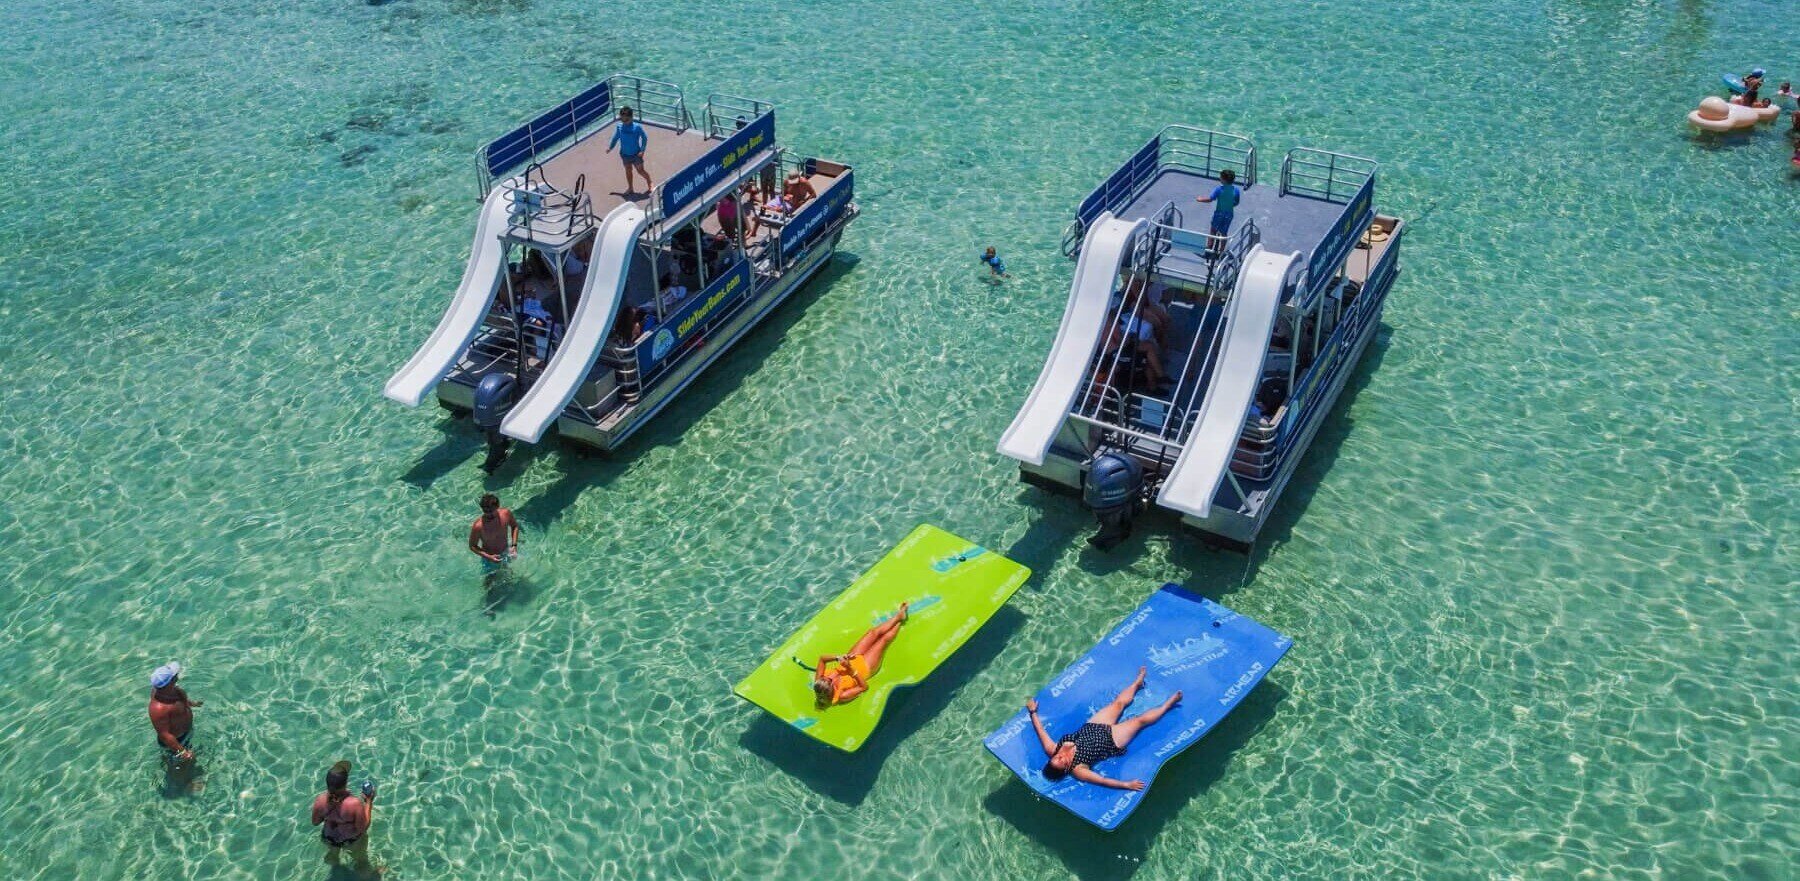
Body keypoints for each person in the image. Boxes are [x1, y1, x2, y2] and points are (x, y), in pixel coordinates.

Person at [1026, 667, 1181, 791]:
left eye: (1056, 758)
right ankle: (1168, 705)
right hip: (1111, 740)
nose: (1061, 757)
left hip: (1093, 726)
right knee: (1139, 721)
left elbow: (1040, 730)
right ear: (1066, 769)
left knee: (1118, 704)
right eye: (1063, 761)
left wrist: (1032, 711)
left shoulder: (1052, 749)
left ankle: (1137, 683)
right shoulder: (1079, 771)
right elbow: (1102, 780)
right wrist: (1126, 785)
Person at [811, 602, 908, 707]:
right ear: (830, 690)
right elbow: (864, 687)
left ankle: (898, 616)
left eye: (823, 678)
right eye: (829, 680)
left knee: (872, 633)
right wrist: (850, 669)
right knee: (883, 640)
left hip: (851, 658)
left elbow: (822, 659)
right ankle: (900, 621)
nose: (828, 677)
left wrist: (839, 658)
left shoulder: (819, 682)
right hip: (866, 667)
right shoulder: (842, 696)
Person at [311, 760, 379, 873]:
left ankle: (335, 864)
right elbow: (362, 828)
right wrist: (368, 801)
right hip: (351, 841)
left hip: (329, 839)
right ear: (346, 782)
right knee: (361, 861)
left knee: (333, 857)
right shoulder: (353, 803)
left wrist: (330, 815)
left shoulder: (320, 800)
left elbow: (315, 822)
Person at [148, 662, 201, 761]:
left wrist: (192, 704)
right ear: (170, 682)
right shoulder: (158, 709)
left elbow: (181, 700)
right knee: (182, 767)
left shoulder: (171, 690)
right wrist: (182, 752)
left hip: (186, 732)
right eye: (174, 675)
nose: (177, 675)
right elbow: (165, 735)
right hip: (176, 742)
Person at [468, 493, 519, 575]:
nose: (488, 514)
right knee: (489, 582)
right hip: (489, 557)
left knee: (510, 576)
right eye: (485, 511)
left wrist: (514, 546)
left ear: (497, 506)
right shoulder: (478, 526)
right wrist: (489, 557)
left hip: (506, 551)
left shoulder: (506, 514)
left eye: (491, 511)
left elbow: (514, 526)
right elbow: (472, 546)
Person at [606, 106, 652, 195]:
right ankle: (630, 188)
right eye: (622, 120)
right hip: (624, 154)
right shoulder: (619, 127)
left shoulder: (637, 127)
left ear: (631, 117)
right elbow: (615, 138)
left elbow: (644, 138)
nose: (624, 122)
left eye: (626, 120)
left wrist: (642, 150)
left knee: (640, 171)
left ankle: (649, 182)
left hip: (636, 154)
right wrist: (610, 148)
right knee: (628, 170)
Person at [1195, 169, 1242, 254]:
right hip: (1229, 214)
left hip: (1219, 213)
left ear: (1223, 179)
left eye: (1220, 177)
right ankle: (1221, 251)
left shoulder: (1219, 189)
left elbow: (1210, 199)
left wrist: (1200, 199)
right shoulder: (1236, 190)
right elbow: (1237, 202)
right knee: (1224, 233)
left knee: (1213, 230)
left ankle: (1209, 248)